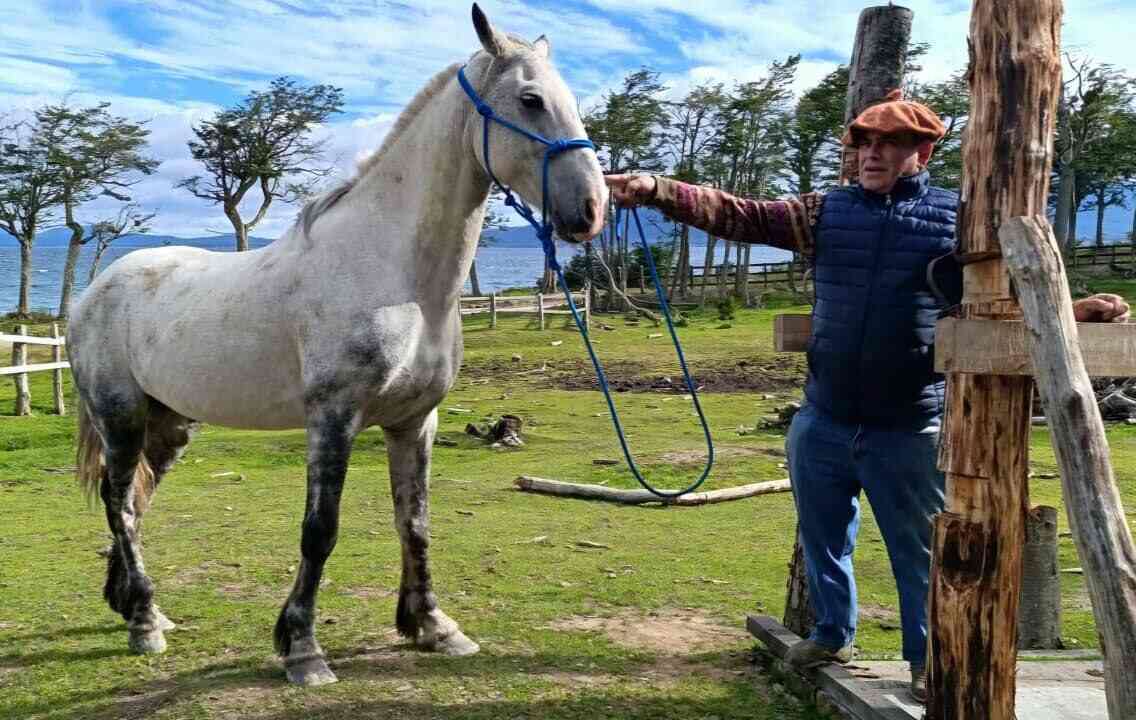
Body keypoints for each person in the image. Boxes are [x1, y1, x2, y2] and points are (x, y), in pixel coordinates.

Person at [605, 89, 1129, 703]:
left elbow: (1003, 300)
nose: (872, 154)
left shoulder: (959, 221)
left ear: (922, 151)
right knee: (824, 536)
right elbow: (737, 213)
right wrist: (656, 187)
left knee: (920, 553)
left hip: (908, 426)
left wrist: (1074, 309)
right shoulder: (824, 212)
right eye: (863, 143)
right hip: (822, 418)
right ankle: (832, 634)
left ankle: (927, 660)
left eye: (889, 143)